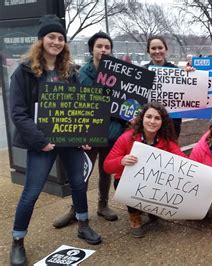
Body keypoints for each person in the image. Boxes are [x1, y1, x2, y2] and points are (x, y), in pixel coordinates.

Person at [9, 15, 102, 265]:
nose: (56, 42)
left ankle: (83, 224)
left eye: (61, 38)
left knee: (79, 184)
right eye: (51, 37)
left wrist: (84, 135)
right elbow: (18, 112)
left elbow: (77, 107)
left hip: (68, 138)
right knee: (31, 192)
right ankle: (18, 241)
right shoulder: (24, 71)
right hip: (40, 142)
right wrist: (40, 141)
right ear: (41, 40)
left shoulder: (68, 71)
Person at [52, 31, 124, 229]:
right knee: (82, 172)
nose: (103, 50)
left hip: (112, 132)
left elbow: (129, 102)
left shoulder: (120, 74)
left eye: (107, 47)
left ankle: (103, 205)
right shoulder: (80, 73)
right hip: (89, 134)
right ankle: (76, 209)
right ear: (92, 49)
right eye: (99, 46)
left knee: (105, 171)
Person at [104, 102, 186, 238]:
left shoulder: (166, 140)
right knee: (123, 185)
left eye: (157, 118)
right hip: (127, 181)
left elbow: (183, 159)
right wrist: (121, 161)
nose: (152, 121)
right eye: (149, 117)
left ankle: (151, 208)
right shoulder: (127, 138)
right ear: (142, 118)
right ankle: (134, 215)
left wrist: (205, 173)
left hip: (154, 181)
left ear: (162, 122)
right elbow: (107, 166)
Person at [143, 36, 183, 137]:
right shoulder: (142, 72)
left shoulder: (176, 71)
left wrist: (190, 73)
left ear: (165, 49)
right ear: (148, 51)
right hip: (149, 124)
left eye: (160, 48)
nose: (157, 51)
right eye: (153, 48)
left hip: (171, 123)